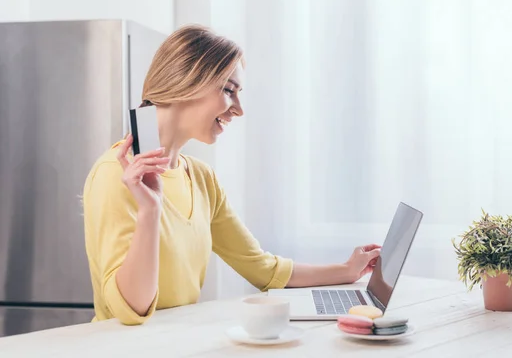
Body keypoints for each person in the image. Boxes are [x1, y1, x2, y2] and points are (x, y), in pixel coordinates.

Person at [82, 24, 381, 326]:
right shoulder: (115, 174)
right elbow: (130, 310)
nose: (238, 109)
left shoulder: (200, 178)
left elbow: (263, 269)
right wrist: (150, 211)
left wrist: (347, 269)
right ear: (188, 82)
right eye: (228, 90)